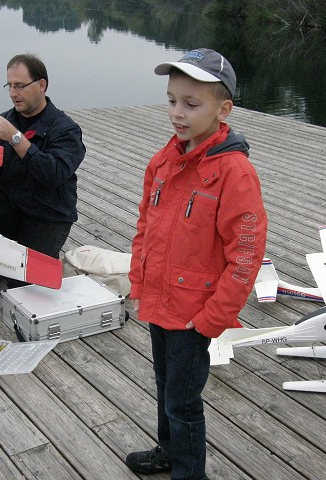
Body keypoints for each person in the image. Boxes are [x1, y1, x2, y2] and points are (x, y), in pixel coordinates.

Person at [126, 49, 267, 479]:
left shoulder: (234, 173)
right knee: (165, 385)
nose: (177, 113)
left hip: (193, 316)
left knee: (183, 401)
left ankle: (190, 474)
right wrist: (139, 281)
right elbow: (145, 226)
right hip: (160, 302)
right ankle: (169, 452)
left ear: (223, 110)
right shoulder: (163, 161)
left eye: (191, 104)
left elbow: (245, 256)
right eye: (172, 100)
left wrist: (212, 318)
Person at [0, 53, 85, 286]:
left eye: (20, 86)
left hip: (48, 218)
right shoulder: (5, 121)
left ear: (41, 85)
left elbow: (52, 174)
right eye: (10, 86)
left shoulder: (66, 130)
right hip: (14, 210)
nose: (13, 93)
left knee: (22, 288)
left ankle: (30, 261)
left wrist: (15, 138)